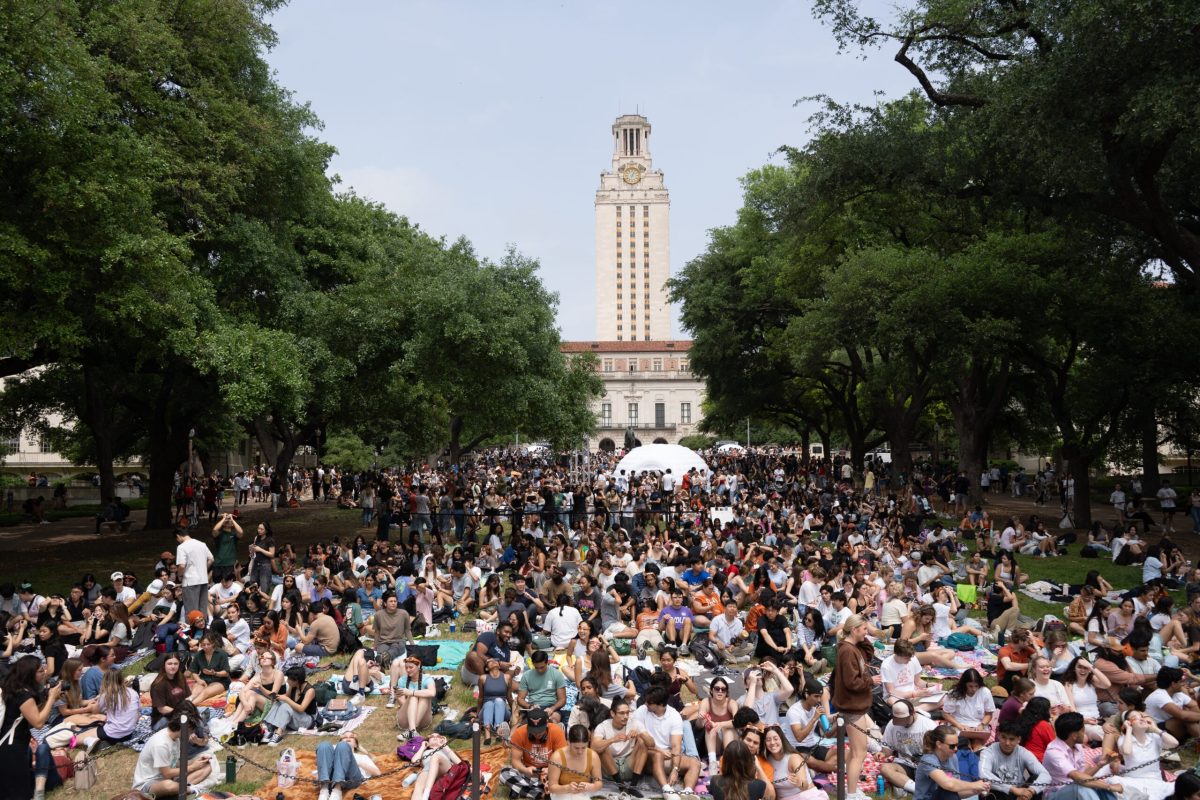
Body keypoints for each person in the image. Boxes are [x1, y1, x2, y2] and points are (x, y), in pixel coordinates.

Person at [0, 657, 63, 800]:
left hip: (9, 746)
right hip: (12, 748)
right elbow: (38, 722)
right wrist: (52, 698)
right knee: (18, 794)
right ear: (30, 674)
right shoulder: (24, 695)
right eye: (41, 671)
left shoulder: (13, 689)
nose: (45, 672)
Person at [833, 614, 874, 800]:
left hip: (854, 706)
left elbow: (868, 655)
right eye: (864, 629)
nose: (867, 631)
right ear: (854, 629)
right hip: (852, 707)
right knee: (859, 752)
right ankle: (850, 794)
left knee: (855, 751)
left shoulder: (851, 648)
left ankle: (850, 787)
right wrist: (870, 681)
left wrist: (864, 639)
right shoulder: (847, 651)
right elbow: (852, 682)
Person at [632, 685, 702, 792]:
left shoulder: (674, 715)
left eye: (649, 703)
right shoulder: (641, 711)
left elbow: (676, 745)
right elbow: (638, 740)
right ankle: (667, 790)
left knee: (695, 763)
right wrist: (658, 749)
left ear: (660, 704)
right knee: (657, 755)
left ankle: (688, 792)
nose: (646, 704)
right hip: (646, 755)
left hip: (667, 755)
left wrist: (675, 769)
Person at [1042, 712, 1122, 800]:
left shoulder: (1077, 746)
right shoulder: (1054, 752)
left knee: (1097, 786)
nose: (1084, 734)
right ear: (1074, 736)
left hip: (1075, 786)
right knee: (1082, 788)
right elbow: (1076, 776)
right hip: (1055, 794)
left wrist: (1100, 765)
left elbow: (1083, 776)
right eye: (1083, 731)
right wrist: (1109, 786)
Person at [131, 714, 214, 797]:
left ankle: (181, 788)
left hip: (169, 779)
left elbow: (175, 762)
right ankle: (191, 790)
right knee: (168, 785)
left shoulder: (176, 738)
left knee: (207, 767)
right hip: (149, 783)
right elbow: (167, 773)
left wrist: (195, 762)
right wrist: (193, 767)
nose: (192, 734)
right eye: (191, 731)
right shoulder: (160, 744)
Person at [503, 707, 568, 799]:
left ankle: (520, 789)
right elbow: (515, 761)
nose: (537, 735)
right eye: (534, 731)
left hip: (552, 772)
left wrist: (550, 770)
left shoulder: (557, 731)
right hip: (529, 773)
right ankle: (542, 794)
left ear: (547, 724)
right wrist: (526, 770)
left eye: (540, 731)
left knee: (569, 775)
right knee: (505, 773)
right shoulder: (520, 733)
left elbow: (563, 760)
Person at [979, 720, 1050, 800]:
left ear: (1018, 740)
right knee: (990, 783)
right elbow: (982, 773)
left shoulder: (1023, 752)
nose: (1007, 743)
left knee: (1036, 778)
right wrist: (1013, 789)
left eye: (1011, 739)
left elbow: (1046, 775)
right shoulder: (988, 752)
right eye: (1004, 737)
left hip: (1020, 795)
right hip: (1000, 794)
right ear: (998, 735)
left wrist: (1031, 791)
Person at [879, 699, 938, 795]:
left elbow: (939, 752)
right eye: (897, 719)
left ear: (913, 713)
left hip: (925, 764)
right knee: (885, 769)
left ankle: (906, 785)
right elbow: (887, 751)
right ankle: (916, 790)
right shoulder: (892, 724)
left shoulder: (928, 725)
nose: (900, 722)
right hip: (905, 764)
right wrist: (882, 753)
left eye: (903, 719)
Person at [915, 724, 990, 800]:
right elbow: (948, 784)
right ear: (939, 744)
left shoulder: (953, 757)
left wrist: (976, 791)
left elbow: (956, 792)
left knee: (950, 792)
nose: (956, 749)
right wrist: (974, 785)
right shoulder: (928, 759)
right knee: (947, 791)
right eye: (952, 746)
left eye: (957, 745)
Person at [75, 667, 140, 753]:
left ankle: (90, 742)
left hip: (113, 733)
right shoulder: (133, 692)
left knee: (75, 739)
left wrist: (95, 703)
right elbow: (138, 712)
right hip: (129, 733)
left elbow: (95, 712)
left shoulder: (106, 696)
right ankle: (103, 741)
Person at [593, 697, 647, 788]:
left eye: (627, 713)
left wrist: (639, 735)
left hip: (629, 764)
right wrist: (612, 740)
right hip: (610, 769)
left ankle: (633, 786)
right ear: (612, 713)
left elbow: (651, 744)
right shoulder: (603, 726)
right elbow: (594, 747)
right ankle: (620, 785)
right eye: (622, 713)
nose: (625, 716)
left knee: (643, 742)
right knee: (603, 747)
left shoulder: (634, 723)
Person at [314, 732, 381, 800]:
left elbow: (377, 773)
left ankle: (337, 789)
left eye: (351, 737)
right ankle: (324, 790)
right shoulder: (333, 750)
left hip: (352, 779)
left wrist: (357, 762)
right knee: (324, 745)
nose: (348, 738)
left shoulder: (363, 757)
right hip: (331, 779)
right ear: (339, 743)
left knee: (343, 746)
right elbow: (319, 763)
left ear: (355, 745)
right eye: (345, 737)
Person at [261, 665, 317, 745]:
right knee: (279, 703)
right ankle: (268, 728)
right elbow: (286, 696)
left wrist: (286, 699)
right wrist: (277, 697)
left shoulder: (310, 690)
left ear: (296, 680)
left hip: (308, 721)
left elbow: (301, 709)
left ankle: (278, 734)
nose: (287, 681)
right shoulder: (293, 686)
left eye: (289, 679)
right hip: (296, 718)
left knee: (285, 705)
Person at [547, 724, 604, 800]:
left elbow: (599, 783)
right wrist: (567, 788)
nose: (580, 752)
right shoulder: (557, 757)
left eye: (584, 747)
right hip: (562, 794)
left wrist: (591, 786)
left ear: (588, 743)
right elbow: (552, 787)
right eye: (576, 748)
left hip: (585, 793)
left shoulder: (593, 756)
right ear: (568, 742)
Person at [393, 655, 436, 740]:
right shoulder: (402, 680)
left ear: (419, 666)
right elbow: (402, 702)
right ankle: (413, 730)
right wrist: (410, 701)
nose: (408, 670)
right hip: (406, 718)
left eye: (411, 667)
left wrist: (411, 692)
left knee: (423, 695)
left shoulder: (427, 679)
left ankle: (411, 730)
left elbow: (432, 692)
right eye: (406, 667)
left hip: (424, 718)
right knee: (413, 698)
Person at [517, 650, 567, 724]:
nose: (539, 670)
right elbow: (520, 699)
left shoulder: (557, 674)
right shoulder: (526, 675)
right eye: (537, 667)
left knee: (553, 721)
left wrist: (552, 709)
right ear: (533, 664)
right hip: (533, 706)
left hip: (552, 706)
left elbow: (562, 699)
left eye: (542, 667)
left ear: (547, 663)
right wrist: (530, 706)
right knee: (523, 725)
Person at [175, 526, 213, 620]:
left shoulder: (181, 547)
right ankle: (203, 631)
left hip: (190, 581)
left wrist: (180, 575)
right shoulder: (202, 544)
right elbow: (211, 559)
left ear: (178, 536)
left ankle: (192, 633)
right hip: (203, 580)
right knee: (202, 609)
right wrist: (203, 569)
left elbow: (182, 566)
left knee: (192, 611)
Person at [409, 732, 462, 800]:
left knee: (435, 757)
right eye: (432, 736)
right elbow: (414, 761)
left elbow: (459, 763)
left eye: (438, 736)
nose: (435, 737)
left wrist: (445, 745)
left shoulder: (445, 749)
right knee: (419, 785)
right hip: (429, 771)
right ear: (428, 741)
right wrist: (423, 747)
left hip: (446, 770)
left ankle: (426, 794)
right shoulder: (425, 752)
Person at [478, 657, 515, 745]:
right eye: (489, 661)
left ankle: (499, 730)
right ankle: (487, 734)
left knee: (499, 700)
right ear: (486, 668)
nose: (493, 661)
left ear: (499, 665)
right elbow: (480, 698)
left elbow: (509, 697)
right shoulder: (483, 678)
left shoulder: (507, 677)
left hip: (502, 710)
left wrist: (514, 712)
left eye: (495, 661)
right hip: (487, 710)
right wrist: (477, 714)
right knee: (489, 703)